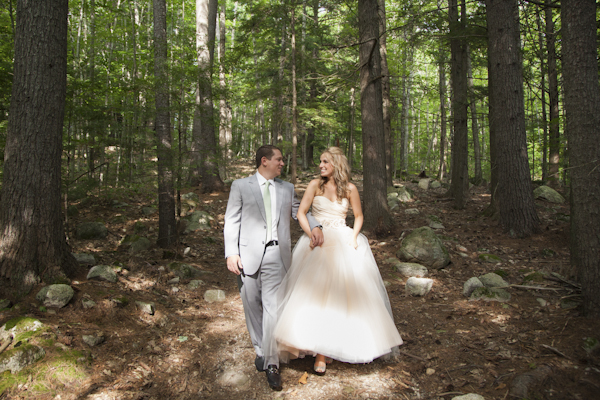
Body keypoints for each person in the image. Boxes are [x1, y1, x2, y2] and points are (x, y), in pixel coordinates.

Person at [273, 147, 403, 375]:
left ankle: (336, 344)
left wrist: (354, 236)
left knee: (342, 297)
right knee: (315, 295)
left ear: (336, 164)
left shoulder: (350, 188)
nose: (320, 165)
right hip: (318, 241)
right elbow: (301, 213)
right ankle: (320, 352)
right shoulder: (315, 185)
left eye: (325, 162)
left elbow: (359, 216)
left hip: (342, 239)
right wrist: (311, 231)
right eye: (320, 161)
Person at [223, 145, 324, 391]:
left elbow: (300, 212)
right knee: (251, 305)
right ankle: (261, 349)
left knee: (271, 309)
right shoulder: (240, 186)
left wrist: (317, 226)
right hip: (247, 256)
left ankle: (271, 362)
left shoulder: (287, 188)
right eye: (279, 160)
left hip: (277, 255)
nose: (282, 164)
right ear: (264, 160)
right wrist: (231, 253)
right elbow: (231, 220)